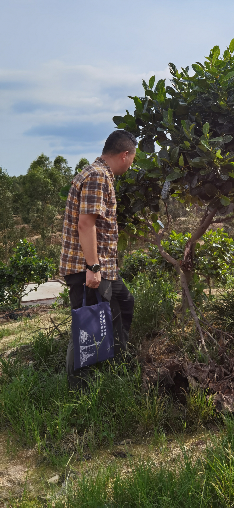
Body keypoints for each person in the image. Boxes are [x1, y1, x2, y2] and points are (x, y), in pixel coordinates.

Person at [60, 130, 137, 389]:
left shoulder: (100, 174)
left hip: (103, 268)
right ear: (125, 155)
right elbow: (86, 224)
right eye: (133, 158)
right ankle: (78, 391)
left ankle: (118, 365)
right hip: (89, 268)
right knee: (86, 327)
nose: (132, 164)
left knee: (123, 304)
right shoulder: (96, 176)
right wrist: (92, 267)